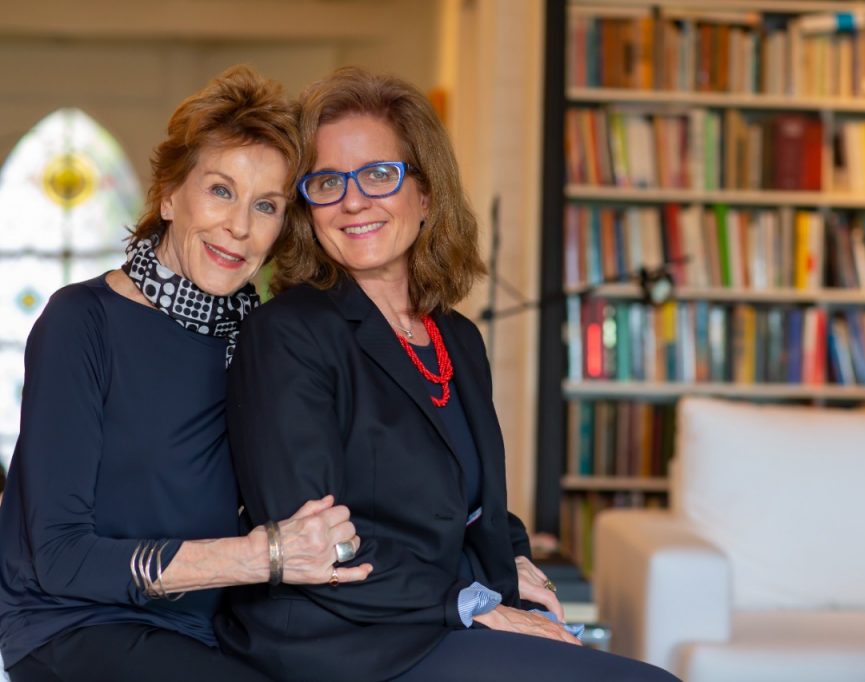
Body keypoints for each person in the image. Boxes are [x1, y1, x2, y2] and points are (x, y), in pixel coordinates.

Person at [216, 66, 680, 682]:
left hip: (431, 620)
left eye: (380, 175)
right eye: (327, 181)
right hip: (339, 638)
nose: (354, 201)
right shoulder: (287, 333)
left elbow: (467, 499)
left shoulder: (456, 337)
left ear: (427, 193)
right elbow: (315, 540)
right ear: (308, 205)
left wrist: (511, 557)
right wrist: (474, 603)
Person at [0, 65, 372, 682]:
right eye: (220, 191)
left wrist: (483, 574)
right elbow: (61, 559)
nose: (240, 227)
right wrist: (265, 556)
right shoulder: (82, 322)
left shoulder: (261, 339)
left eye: (267, 205)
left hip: (211, 633)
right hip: (72, 626)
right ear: (170, 195)